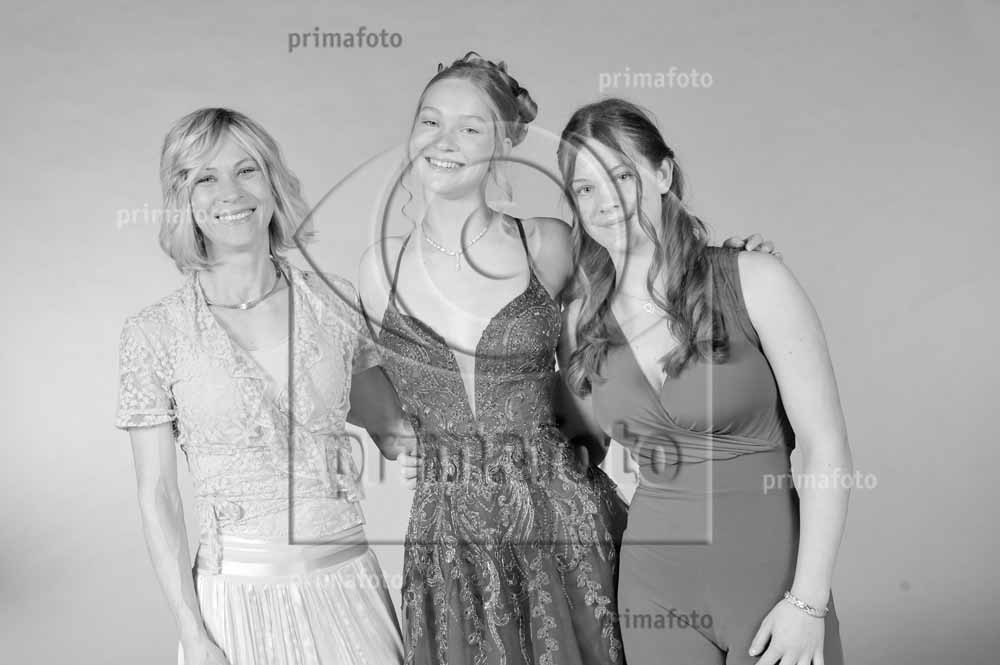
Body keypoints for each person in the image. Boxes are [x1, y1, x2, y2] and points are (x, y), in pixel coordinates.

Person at [556, 98, 850, 665]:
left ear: (663, 174)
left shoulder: (754, 278)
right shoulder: (580, 320)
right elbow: (577, 450)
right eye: (584, 188)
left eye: (622, 176)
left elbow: (825, 446)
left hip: (773, 580)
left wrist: (808, 601)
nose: (605, 201)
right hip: (652, 589)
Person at [358, 53, 629, 665]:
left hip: (564, 525)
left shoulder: (547, 243)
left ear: (504, 142)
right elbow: (364, 394)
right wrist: (404, 442)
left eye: (471, 128)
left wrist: (729, 264)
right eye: (430, 121)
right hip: (449, 542)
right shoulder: (380, 268)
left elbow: (637, 308)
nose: (444, 141)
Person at [116, 108, 408, 665]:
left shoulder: (335, 301)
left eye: (246, 169)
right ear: (183, 199)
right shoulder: (154, 333)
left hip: (348, 590)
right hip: (234, 604)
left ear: (273, 181)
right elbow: (158, 496)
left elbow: (398, 436)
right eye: (205, 177)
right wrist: (193, 634)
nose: (231, 192)